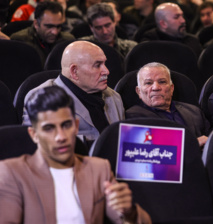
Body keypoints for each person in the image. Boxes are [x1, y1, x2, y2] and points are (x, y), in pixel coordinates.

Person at [0, 86, 151, 223]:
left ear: (76, 126)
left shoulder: (99, 169)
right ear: (34, 135)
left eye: (66, 125)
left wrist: (129, 213)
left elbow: (128, 219)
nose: (61, 136)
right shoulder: (12, 173)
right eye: (49, 128)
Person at [23, 41, 125, 144]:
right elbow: (35, 145)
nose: (106, 71)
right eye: (97, 65)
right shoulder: (40, 100)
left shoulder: (114, 97)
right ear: (74, 71)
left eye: (104, 63)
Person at [126, 62, 210, 147]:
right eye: (148, 83)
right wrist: (193, 143)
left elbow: (212, 139)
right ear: (139, 91)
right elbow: (151, 147)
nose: (156, 88)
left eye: (162, 82)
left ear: (171, 88)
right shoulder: (133, 117)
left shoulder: (194, 111)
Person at [10, 1, 75, 65]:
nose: (55, 32)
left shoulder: (67, 41)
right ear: (36, 24)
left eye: (58, 26)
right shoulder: (20, 40)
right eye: (49, 26)